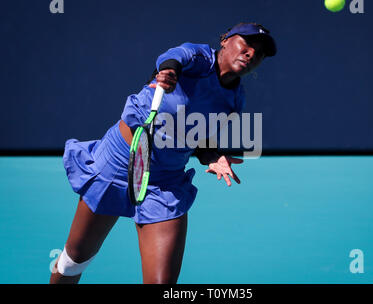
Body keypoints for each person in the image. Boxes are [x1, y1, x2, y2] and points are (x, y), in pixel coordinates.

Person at [49, 22, 277, 284]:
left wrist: (212, 156)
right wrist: (168, 71)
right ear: (225, 40)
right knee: (73, 261)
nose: (251, 54)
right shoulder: (198, 57)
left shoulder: (234, 100)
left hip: (165, 182)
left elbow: (201, 141)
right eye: (246, 44)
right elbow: (172, 58)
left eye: (259, 53)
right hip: (117, 162)